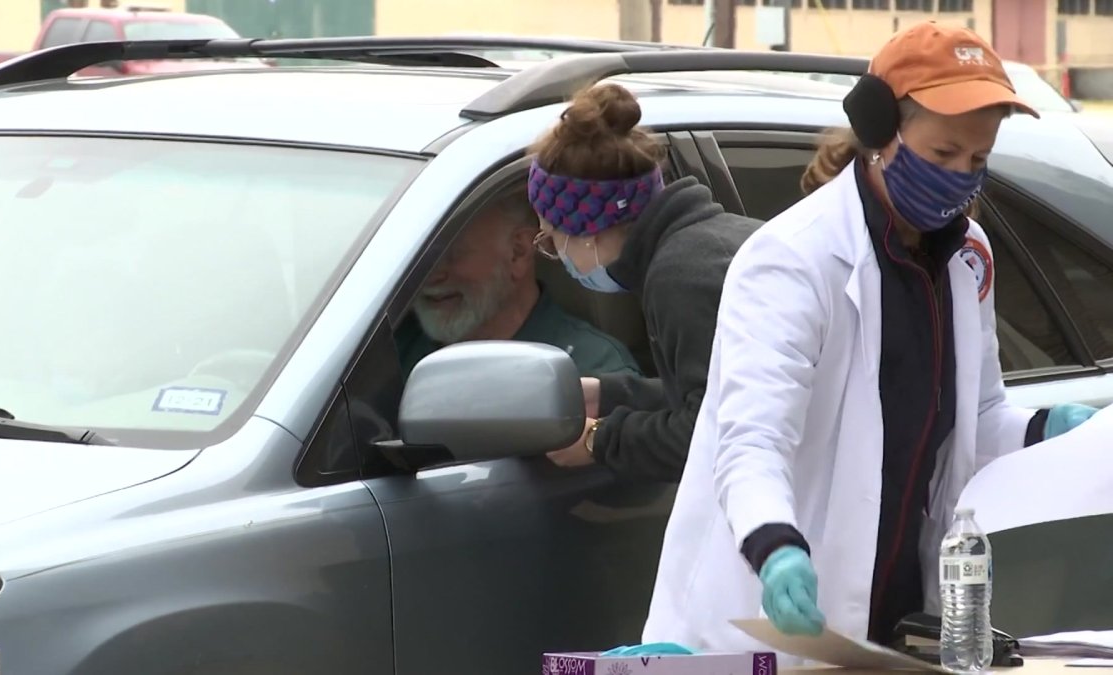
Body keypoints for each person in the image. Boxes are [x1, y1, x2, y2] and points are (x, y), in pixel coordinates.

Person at [641, 22, 1100, 658]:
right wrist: (775, 547)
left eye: (977, 160)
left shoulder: (967, 258)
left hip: (898, 614)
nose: (960, 178)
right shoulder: (792, 260)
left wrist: (1050, 431)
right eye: (943, 154)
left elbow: (975, 420)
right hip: (766, 617)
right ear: (881, 131)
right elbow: (750, 441)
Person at [526, 82, 762, 482]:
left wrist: (599, 440)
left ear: (588, 235)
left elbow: (718, 432)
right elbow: (718, 393)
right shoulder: (704, 246)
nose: (557, 254)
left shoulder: (682, 278)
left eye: (552, 239)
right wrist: (608, 396)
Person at [396, 190, 640, 380]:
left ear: (518, 252)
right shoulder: (384, 352)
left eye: (451, 253)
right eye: (419, 255)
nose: (430, 275)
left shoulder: (591, 373)